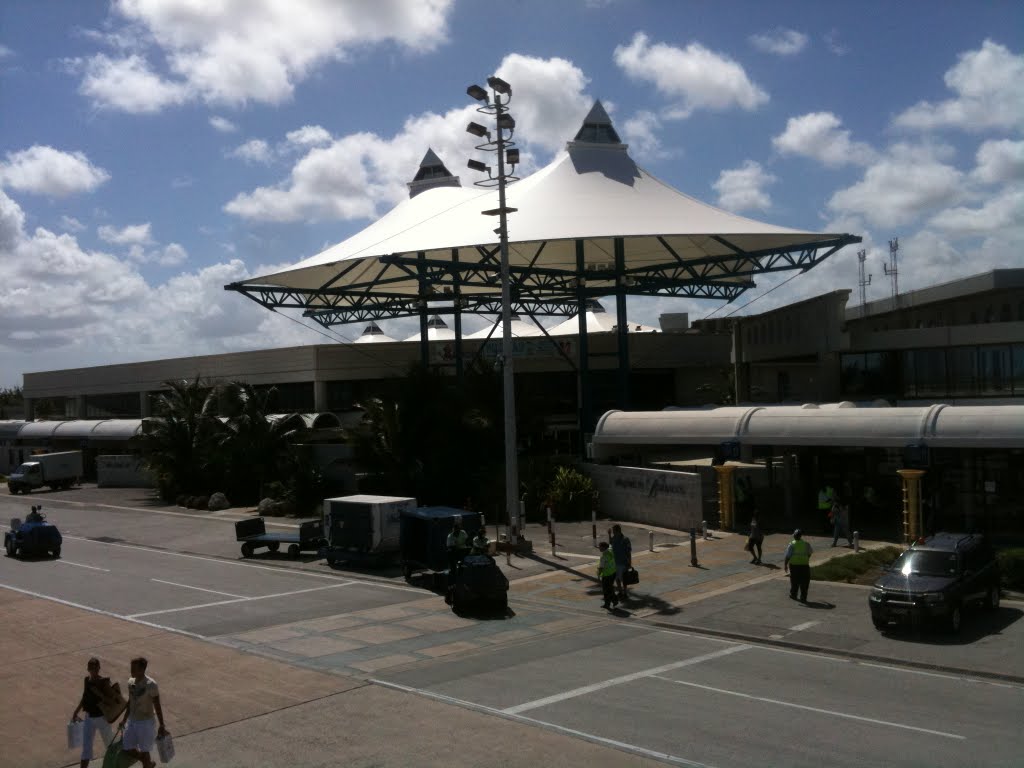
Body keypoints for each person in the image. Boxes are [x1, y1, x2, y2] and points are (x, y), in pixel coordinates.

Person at [118, 657, 167, 768]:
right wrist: (124, 720)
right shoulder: (131, 682)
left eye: (134, 668)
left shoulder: (151, 684)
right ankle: (148, 763)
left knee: (145, 751)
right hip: (132, 721)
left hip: (146, 723)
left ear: (142, 669)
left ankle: (147, 763)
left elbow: (157, 705)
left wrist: (162, 724)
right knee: (127, 747)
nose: (131, 670)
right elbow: (131, 701)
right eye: (131, 668)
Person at [71, 657, 113, 768]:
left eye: (95, 668)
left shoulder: (104, 682)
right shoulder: (87, 680)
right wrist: (76, 712)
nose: (93, 670)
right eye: (91, 668)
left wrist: (99, 694)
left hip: (102, 718)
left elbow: (111, 700)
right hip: (89, 717)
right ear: (88, 669)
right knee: (86, 747)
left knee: (110, 745)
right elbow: (84, 698)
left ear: (99, 668)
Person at [784, 529, 813, 603]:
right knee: (804, 582)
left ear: (794, 536)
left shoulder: (792, 544)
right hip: (804, 566)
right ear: (800, 536)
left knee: (794, 581)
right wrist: (806, 558)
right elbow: (810, 553)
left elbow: (787, 556)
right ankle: (803, 598)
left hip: (794, 566)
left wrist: (785, 565)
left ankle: (793, 595)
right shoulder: (806, 544)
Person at [610, 524, 632, 600]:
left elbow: (629, 552)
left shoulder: (625, 539)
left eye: (613, 531)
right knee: (617, 578)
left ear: (618, 531)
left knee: (624, 579)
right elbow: (610, 544)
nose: (613, 532)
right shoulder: (613, 538)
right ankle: (620, 592)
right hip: (615, 562)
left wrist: (629, 563)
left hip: (623, 562)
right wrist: (609, 535)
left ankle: (625, 593)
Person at [597, 541, 617, 609]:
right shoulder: (611, 551)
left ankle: (607, 604)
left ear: (604, 547)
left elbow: (601, 567)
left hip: (606, 575)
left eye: (600, 547)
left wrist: (599, 575)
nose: (599, 548)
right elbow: (610, 544)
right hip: (613, 572)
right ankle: (614, 600)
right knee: (610, 588)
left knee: (606, 590)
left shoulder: (603, 556)